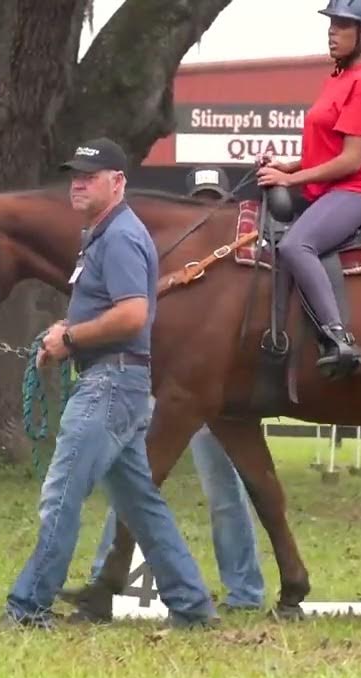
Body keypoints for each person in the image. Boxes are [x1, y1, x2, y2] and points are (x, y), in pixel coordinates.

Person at [2, 137, 216, 630]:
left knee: (61, 494)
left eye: (89, 175)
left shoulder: (119, 236)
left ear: (118, 183)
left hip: (110, 381)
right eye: (74, 174)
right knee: (141, 505)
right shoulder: (103, 234)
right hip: (118, 380)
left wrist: (70, 337)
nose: (77, 182)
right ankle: (191, 605)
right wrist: (64, 336)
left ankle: (28, 607)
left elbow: (132, 314)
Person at [86, 164, 266, 611]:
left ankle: (245, 591)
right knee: (135, 481)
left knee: (225, 491)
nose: (207, 208)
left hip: (207, 390)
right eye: (200, 200)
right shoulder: (156, 256)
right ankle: (103, 575)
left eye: (213, 199)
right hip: (155, 382)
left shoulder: (238, 260)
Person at [255, 0, 361, 379]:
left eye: (342, 25)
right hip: (331, 184)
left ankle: (339, 339)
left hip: (360, 186)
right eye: (331, 24)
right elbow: (326, 146)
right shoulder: (338, 76)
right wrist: (289, 165)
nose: (332, 31)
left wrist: (288, 180)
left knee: (296, 245)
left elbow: (351, 160)